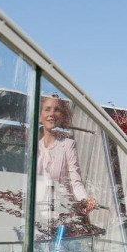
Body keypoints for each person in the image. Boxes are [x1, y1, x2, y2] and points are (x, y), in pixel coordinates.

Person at [36, 93, 96, 224]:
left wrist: (85, 199)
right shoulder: (33, 146)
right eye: (47, 109)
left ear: (61, 116)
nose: (51, 113)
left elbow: (75, 181)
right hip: (37, 214)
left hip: (62, 215)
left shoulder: (68, 144)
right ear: (40, 116)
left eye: (56, 110)